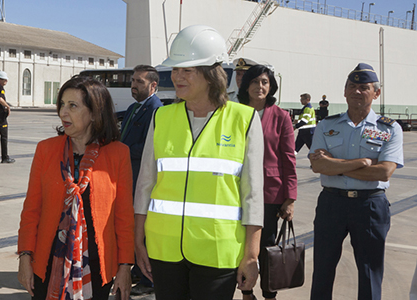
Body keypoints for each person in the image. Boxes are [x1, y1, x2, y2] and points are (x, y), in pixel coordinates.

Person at [134, 24, 263, 300]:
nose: (177, 77)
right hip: (164, 247)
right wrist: (138, 239)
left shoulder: (244, 119)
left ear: (211, 74)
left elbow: (253, 194)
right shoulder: (162, 118)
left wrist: (251, 254)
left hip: (218, 250)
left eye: (187, 70)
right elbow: (146, 184)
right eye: (175, 69)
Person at [17, 76, 134, 300]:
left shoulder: (118, 153)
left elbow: (124, 216)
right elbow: (32, 209)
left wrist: (125, 266)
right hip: (47, 264)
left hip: (98, 267)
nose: (63, 112)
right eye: (62, 104)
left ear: (94, 113)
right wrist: (24, 256)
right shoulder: (46, 150)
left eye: (73, 106)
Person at [308, 63, 403, 300]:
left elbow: (383, 172)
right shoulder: (326, 125)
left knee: (370, 272)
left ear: (376, 93)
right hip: (332, 203)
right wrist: (360, 163)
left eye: (364, 87)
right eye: (352, 86)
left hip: (370, 205)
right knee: (322, 269)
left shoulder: (390, 129)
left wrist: (335, 165)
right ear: (344, 91)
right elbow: (317, 165)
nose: (357, 91)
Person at [236, 65, 297, 300]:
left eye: (264, 82)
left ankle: (269, 293)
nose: (259, 86)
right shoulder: (235, 111)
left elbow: (288, 158)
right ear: (246, 85)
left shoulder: (281, 116)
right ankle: (246, 292)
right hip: (237, 189)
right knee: (242, 244)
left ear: (270, 87)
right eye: (254, 81)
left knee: (266, 246)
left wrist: (290, 198)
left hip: (270, 193)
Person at [120, 64, 162, 295]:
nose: (133, 86)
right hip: (128, 177)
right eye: (133, 81)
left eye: (139, 82)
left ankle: (149, 281)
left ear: (153, 86)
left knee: (143, 229)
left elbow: (149, 147)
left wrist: (120, 149)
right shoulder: (132, 108)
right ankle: (138, 268)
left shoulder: (157, 110)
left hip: (141, 179)